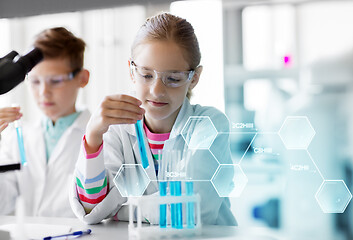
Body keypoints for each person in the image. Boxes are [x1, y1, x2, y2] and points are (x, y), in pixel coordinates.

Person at [70, 13, 237, 225]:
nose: (157, 91)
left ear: (193, 78)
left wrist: (121, 210)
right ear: (132, 71)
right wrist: (93, 136)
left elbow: (193, 210)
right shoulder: (117, 129)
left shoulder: (209, 124)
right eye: (146, 75)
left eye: (173, 78)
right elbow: (92, 210)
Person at [0, 27, 90, 217]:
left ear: (82, 78)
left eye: (56, 81)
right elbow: (2, 204)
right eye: (34, 81)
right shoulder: (17, 137)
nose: (43, 93)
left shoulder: (101, 136)